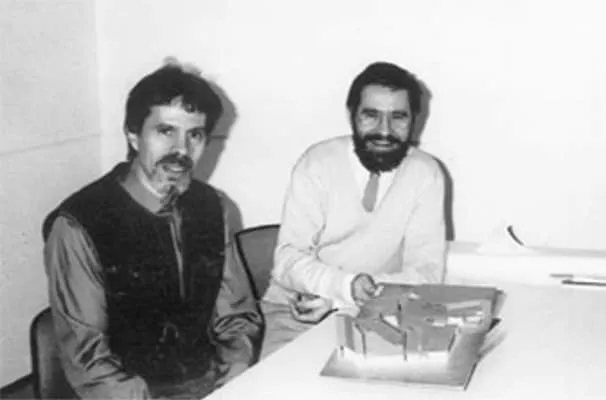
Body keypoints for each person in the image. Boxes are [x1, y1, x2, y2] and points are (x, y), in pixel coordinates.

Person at [42, 62, 263, 399]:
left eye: (195, 135)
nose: (181, 150)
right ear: (133, 134)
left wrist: (230, 385)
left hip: (211, 387)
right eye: (165, 131)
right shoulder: (79, 223)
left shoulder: (213, 207)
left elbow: (236, 319)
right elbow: (88, 360)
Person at [260, 61, 447, 357]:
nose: (384, 131)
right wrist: (344, 287)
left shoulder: (426, 173)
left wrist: (341, 300)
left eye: (398, 117)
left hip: (382, 312)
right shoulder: (318, 163)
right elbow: (287, 260)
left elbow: (425, 273)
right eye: (371, 115)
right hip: (299, 311)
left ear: (414, 120)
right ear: (352, 115)